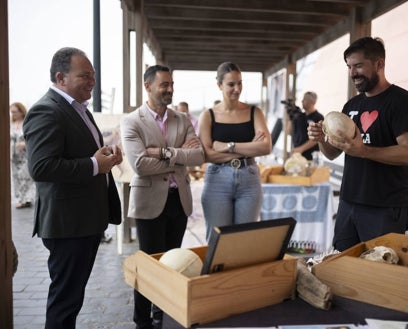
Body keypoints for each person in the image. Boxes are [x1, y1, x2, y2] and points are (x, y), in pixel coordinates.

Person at [22, 47, 122, 329]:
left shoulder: (78, 109)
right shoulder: (46, 110)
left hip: (84, 222)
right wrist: (94, 164)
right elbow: (41, 168)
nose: (92, 81)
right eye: (85, 75)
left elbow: (80, 155)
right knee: (65, 302)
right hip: (68, 226)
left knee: (72, 299)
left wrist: (104, 157)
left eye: (93, 75)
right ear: (60, 77)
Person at [308, 37, 408, 251]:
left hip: (386, 208)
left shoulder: (402, 102)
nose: (353, 73)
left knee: (379, 273)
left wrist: (363, 151)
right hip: (349, 202)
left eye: (359, 66)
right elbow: (332, 153)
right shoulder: (352, 105)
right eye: (349, 67)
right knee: (343, 268)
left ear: (379, 64)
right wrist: (321, 139)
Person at [120, 64, 204, 329]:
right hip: (148, 202)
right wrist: (180, 156)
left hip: (178, 201)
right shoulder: (132, 121)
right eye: (163, 85)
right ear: (148, 86)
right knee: (148, 265)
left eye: (171, 85)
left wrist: (164, 153)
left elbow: (199, 156)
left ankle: (164, 316)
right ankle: (142, 321)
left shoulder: (181, 118)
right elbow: (140, 165)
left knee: (173, 264)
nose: (169, 89)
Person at [198, 62, 272, 241]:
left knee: (244, 240)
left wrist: (228, 146)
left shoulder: (255, 112)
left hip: (249, 179)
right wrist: (248, 149)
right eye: (231, 84)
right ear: (219, 85)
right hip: (217, 180)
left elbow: (266, 147)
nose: (237, 88)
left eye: (240, 83)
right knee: (217, 239)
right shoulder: (208, 115)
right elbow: (207, 155)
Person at [10, 102, 35, 208]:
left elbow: (34, 137)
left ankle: (26, 199)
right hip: (14, 155)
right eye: (11, 112)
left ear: (21, 111)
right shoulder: (10, 123)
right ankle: (21, 198)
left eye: (14, 112)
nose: (13, 114)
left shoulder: (27, 122)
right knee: (16, 177)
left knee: (26, 176)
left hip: (26, 154)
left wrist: (25, 144)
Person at [288, 92, 324, 160]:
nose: (302, 101)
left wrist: (301, 149)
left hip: (311, 156)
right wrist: (291, 118)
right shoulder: (299, 116)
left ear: (312, 102)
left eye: (304, 99)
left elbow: (317, 138)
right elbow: (289, 132)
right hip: (297, 155)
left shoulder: (318, 118)